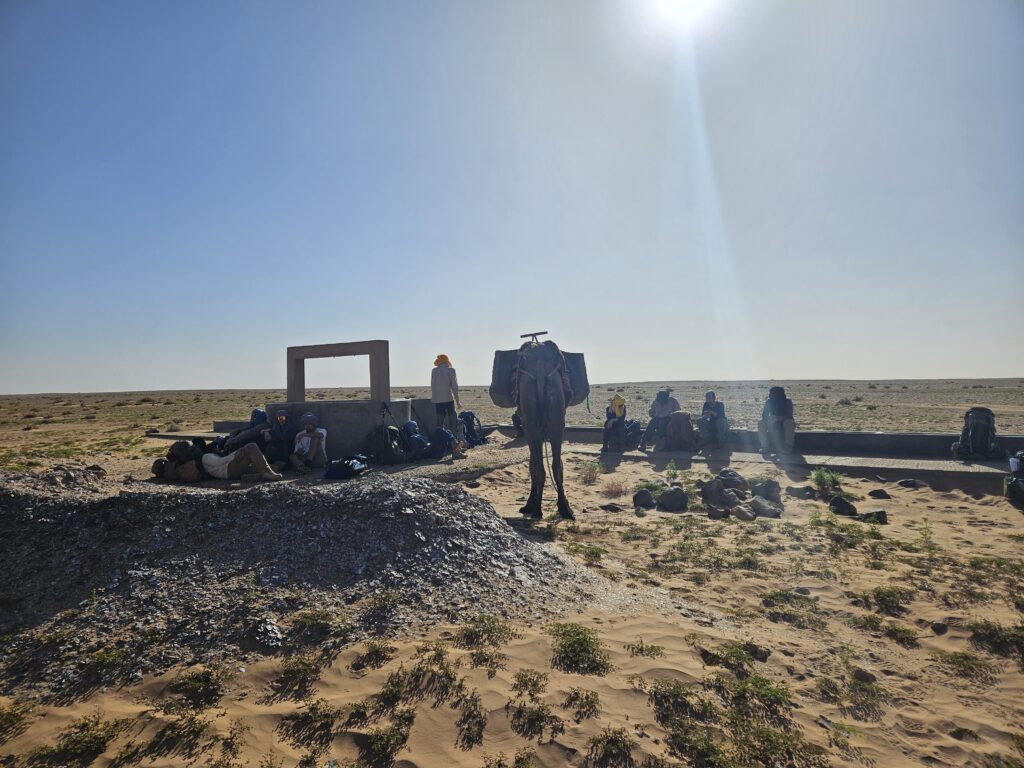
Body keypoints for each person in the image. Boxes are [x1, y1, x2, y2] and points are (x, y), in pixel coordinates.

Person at [202, 443, 282, 482]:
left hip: (231, 471)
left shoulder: (211, 456)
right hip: (228, 471)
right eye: (216, 447)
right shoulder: (206, 456)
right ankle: (266, 473)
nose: (218, 449)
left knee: (270, 466)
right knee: (252, 446)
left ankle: (259, 475)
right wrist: (236, 453)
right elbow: (220, 462)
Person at [758, 386, 796, 455]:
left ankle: (787, 447)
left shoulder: (787, 401)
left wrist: (778, 418)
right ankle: (765, 447)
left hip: (784, 423)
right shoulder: (769, 401)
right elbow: (764, 415)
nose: (770, 395)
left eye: (772, 394)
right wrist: (770, 418)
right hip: (772, 422)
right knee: (761, 423)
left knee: (790, 422)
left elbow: (789, 415)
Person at [431, 354, 462, 437]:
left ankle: (440, 440)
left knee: (439, 422)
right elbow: (454, 386)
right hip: (448, 399)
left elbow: (433, 386)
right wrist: (458, 401)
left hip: (437, 400)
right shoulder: (451, 370)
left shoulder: (434, 371)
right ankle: (454, 440)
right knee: (453, 420)